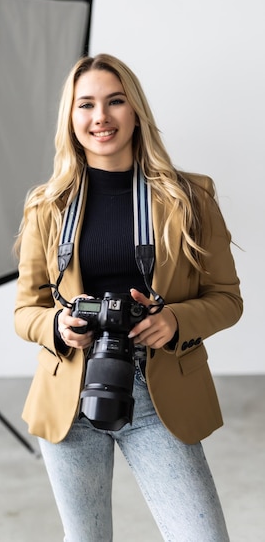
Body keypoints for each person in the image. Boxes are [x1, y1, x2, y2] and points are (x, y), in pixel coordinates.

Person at [13, 53, 243, 542]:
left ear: (136, 110)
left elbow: (227, 299)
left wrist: (175, 319)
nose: (101, 117)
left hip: (156, 392)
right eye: (87, 104)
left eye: (115, 101)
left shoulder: (190, 198)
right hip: (71, 394)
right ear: (71, 118)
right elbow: (24, 310)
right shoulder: (47, 206)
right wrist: (56, 327)